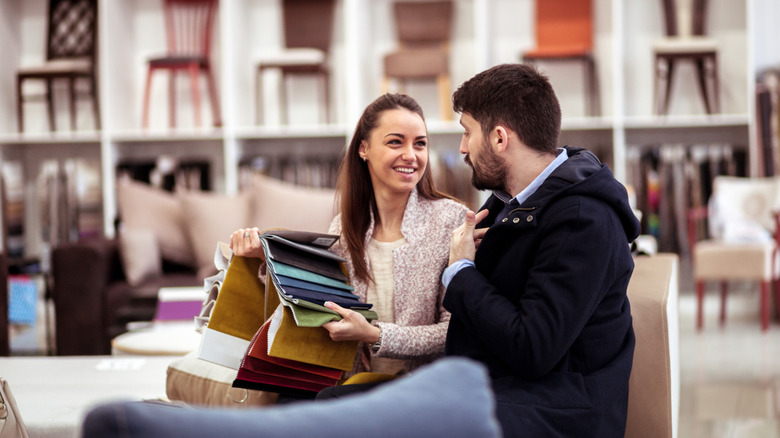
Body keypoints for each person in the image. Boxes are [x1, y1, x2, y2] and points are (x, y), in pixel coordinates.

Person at [443, 63, 641, 437]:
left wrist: (461, 273)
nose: (463, 147)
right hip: (505, 390)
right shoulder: (512, 201)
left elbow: (533, 346)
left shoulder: (584, 219)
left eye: (468, 133)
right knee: (333, 402)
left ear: (500, 138)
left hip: (562, 409)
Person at [230, 93, 467, 388]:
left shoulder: (452, 221)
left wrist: (374, 335)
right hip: (355, 382)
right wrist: (266, 260)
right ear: (363, 149)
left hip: (424, 388)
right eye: (396, 142)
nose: (411, 154)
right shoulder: (345, 226)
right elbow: (317, 309)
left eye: (420, 143)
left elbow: (456, 331)